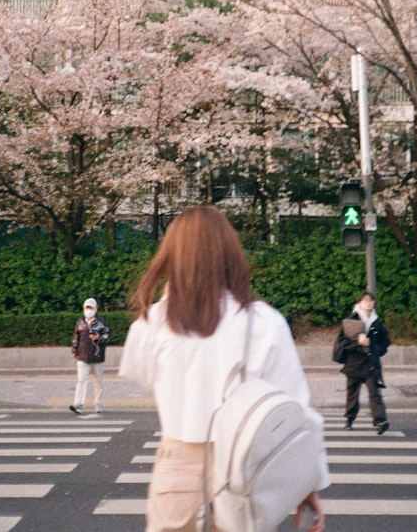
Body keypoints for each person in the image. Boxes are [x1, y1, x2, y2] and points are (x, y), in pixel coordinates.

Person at [119, 205, 328, 532]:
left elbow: (142, 373)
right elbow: (297, 412)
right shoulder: (263, 321)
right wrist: (308, 483)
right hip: (245, 474)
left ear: (172, 255)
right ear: (230, 253)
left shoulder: (152, 324)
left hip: (177, 473)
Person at [333, 291, 390, 434]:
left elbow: (385, 341)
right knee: (352, 393)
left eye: (371, 301)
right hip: (354, 363)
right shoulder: (351, 320)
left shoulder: (376, 322)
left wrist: (376, 350)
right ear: (359, 303)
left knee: (375, 393)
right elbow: (342, 342)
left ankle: (380, 421)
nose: (369, 303)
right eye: (365, 301)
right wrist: (358, 343)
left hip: (371, 363)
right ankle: (349, 419)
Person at [70, 297, 110, 414]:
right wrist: (74, 350)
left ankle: (98, 404)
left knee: (98, 382)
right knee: (81, 381)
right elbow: (76, 337)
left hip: (97, 357)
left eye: (91, 307)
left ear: (96, 309)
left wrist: (99, 338)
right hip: (82, 357)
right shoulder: (80, 322)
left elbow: (108, 336)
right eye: (87, 307)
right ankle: (78, 404)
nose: (89, 310)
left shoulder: (101, 323)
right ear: (83, 308)